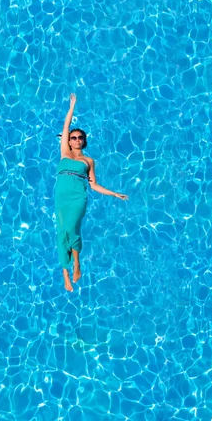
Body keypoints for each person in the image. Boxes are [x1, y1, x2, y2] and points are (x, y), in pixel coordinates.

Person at [55, 93, 129, 292]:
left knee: (71, 228)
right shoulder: (64, 152)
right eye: (73, 137)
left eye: (80, 138)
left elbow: (94, 184)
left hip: (78, 197)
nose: (77, 140)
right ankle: (65, 273)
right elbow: (65, 125)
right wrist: (72, 107)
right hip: (61, 196)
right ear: (68, 140)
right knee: (61, 232)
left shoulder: (89, 161)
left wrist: (114, 193)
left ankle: (77, 262)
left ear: (83, 141)